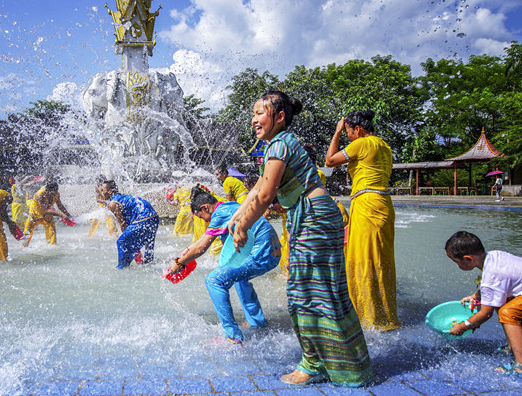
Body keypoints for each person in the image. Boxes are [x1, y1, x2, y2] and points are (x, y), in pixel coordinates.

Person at [231, 91, 373, 386]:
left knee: (304, 294)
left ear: (279, 117)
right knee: (322, 292)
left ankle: (314, 363)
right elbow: (259, 187)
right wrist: (237, 216)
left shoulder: (280, 144)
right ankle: (343, 363)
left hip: (314, 218)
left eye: (260, 113)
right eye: (253, 114)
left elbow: (268, 195)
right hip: (315, 215)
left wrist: (244, 226)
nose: (254, 119)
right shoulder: (278, 144)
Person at [169, 184, 281, 344]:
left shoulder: (219, 214)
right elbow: (201, 241)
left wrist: (179, 264)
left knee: (214, 280)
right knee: (239, 278)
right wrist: (184, 255)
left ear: (205, 208)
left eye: (202, 217)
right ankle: (257, 323)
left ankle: (232, 335)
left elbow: (202, 247)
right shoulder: (230, 206)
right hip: (273, 252)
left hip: (262, 254)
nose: (205, 221)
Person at [325, 110, 400, 331]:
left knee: (363, 259)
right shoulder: (384, 145)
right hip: (383, 204)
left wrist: (336, 133)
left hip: (367, 204)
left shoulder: (362, 143)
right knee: (381, 259)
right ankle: (385, 314)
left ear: (357, 129)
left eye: (348, 131)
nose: (347, 136)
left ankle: (368, 317)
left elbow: (329, 161)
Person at [445, 231, 522, 374]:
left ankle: (520, 365)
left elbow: (486, 313)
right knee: (502, 303)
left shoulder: (491, 277)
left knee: (508, 312)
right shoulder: (494, 256)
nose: (457, 265)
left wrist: (463, 326)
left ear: (468, 259)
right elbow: (500, 285)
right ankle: (513, 347)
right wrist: (476, 296)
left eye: (456, 262)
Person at [99, 180, 159, 269]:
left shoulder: (113, 203)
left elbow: (122, 224)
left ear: (110, 191)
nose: (102, 193)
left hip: (143, 218)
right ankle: (148, 263)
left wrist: (128, 241)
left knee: (121, 242)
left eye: (103, 190)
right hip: (154, 217)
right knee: (148, 243)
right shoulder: (124, 197)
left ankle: (122, 268)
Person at [23, 181, 73, 246]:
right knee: (25, 239)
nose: (55, 193)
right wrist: (61, 215)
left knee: (53, 240)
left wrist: (68, 215)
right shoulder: (39, 195)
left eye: (56, 190)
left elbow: (60, 205)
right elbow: (46, 210)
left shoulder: (57, 194)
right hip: (34, 216)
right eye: (53, 191)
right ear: (47, 190)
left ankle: (53, 252)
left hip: (47, 217)